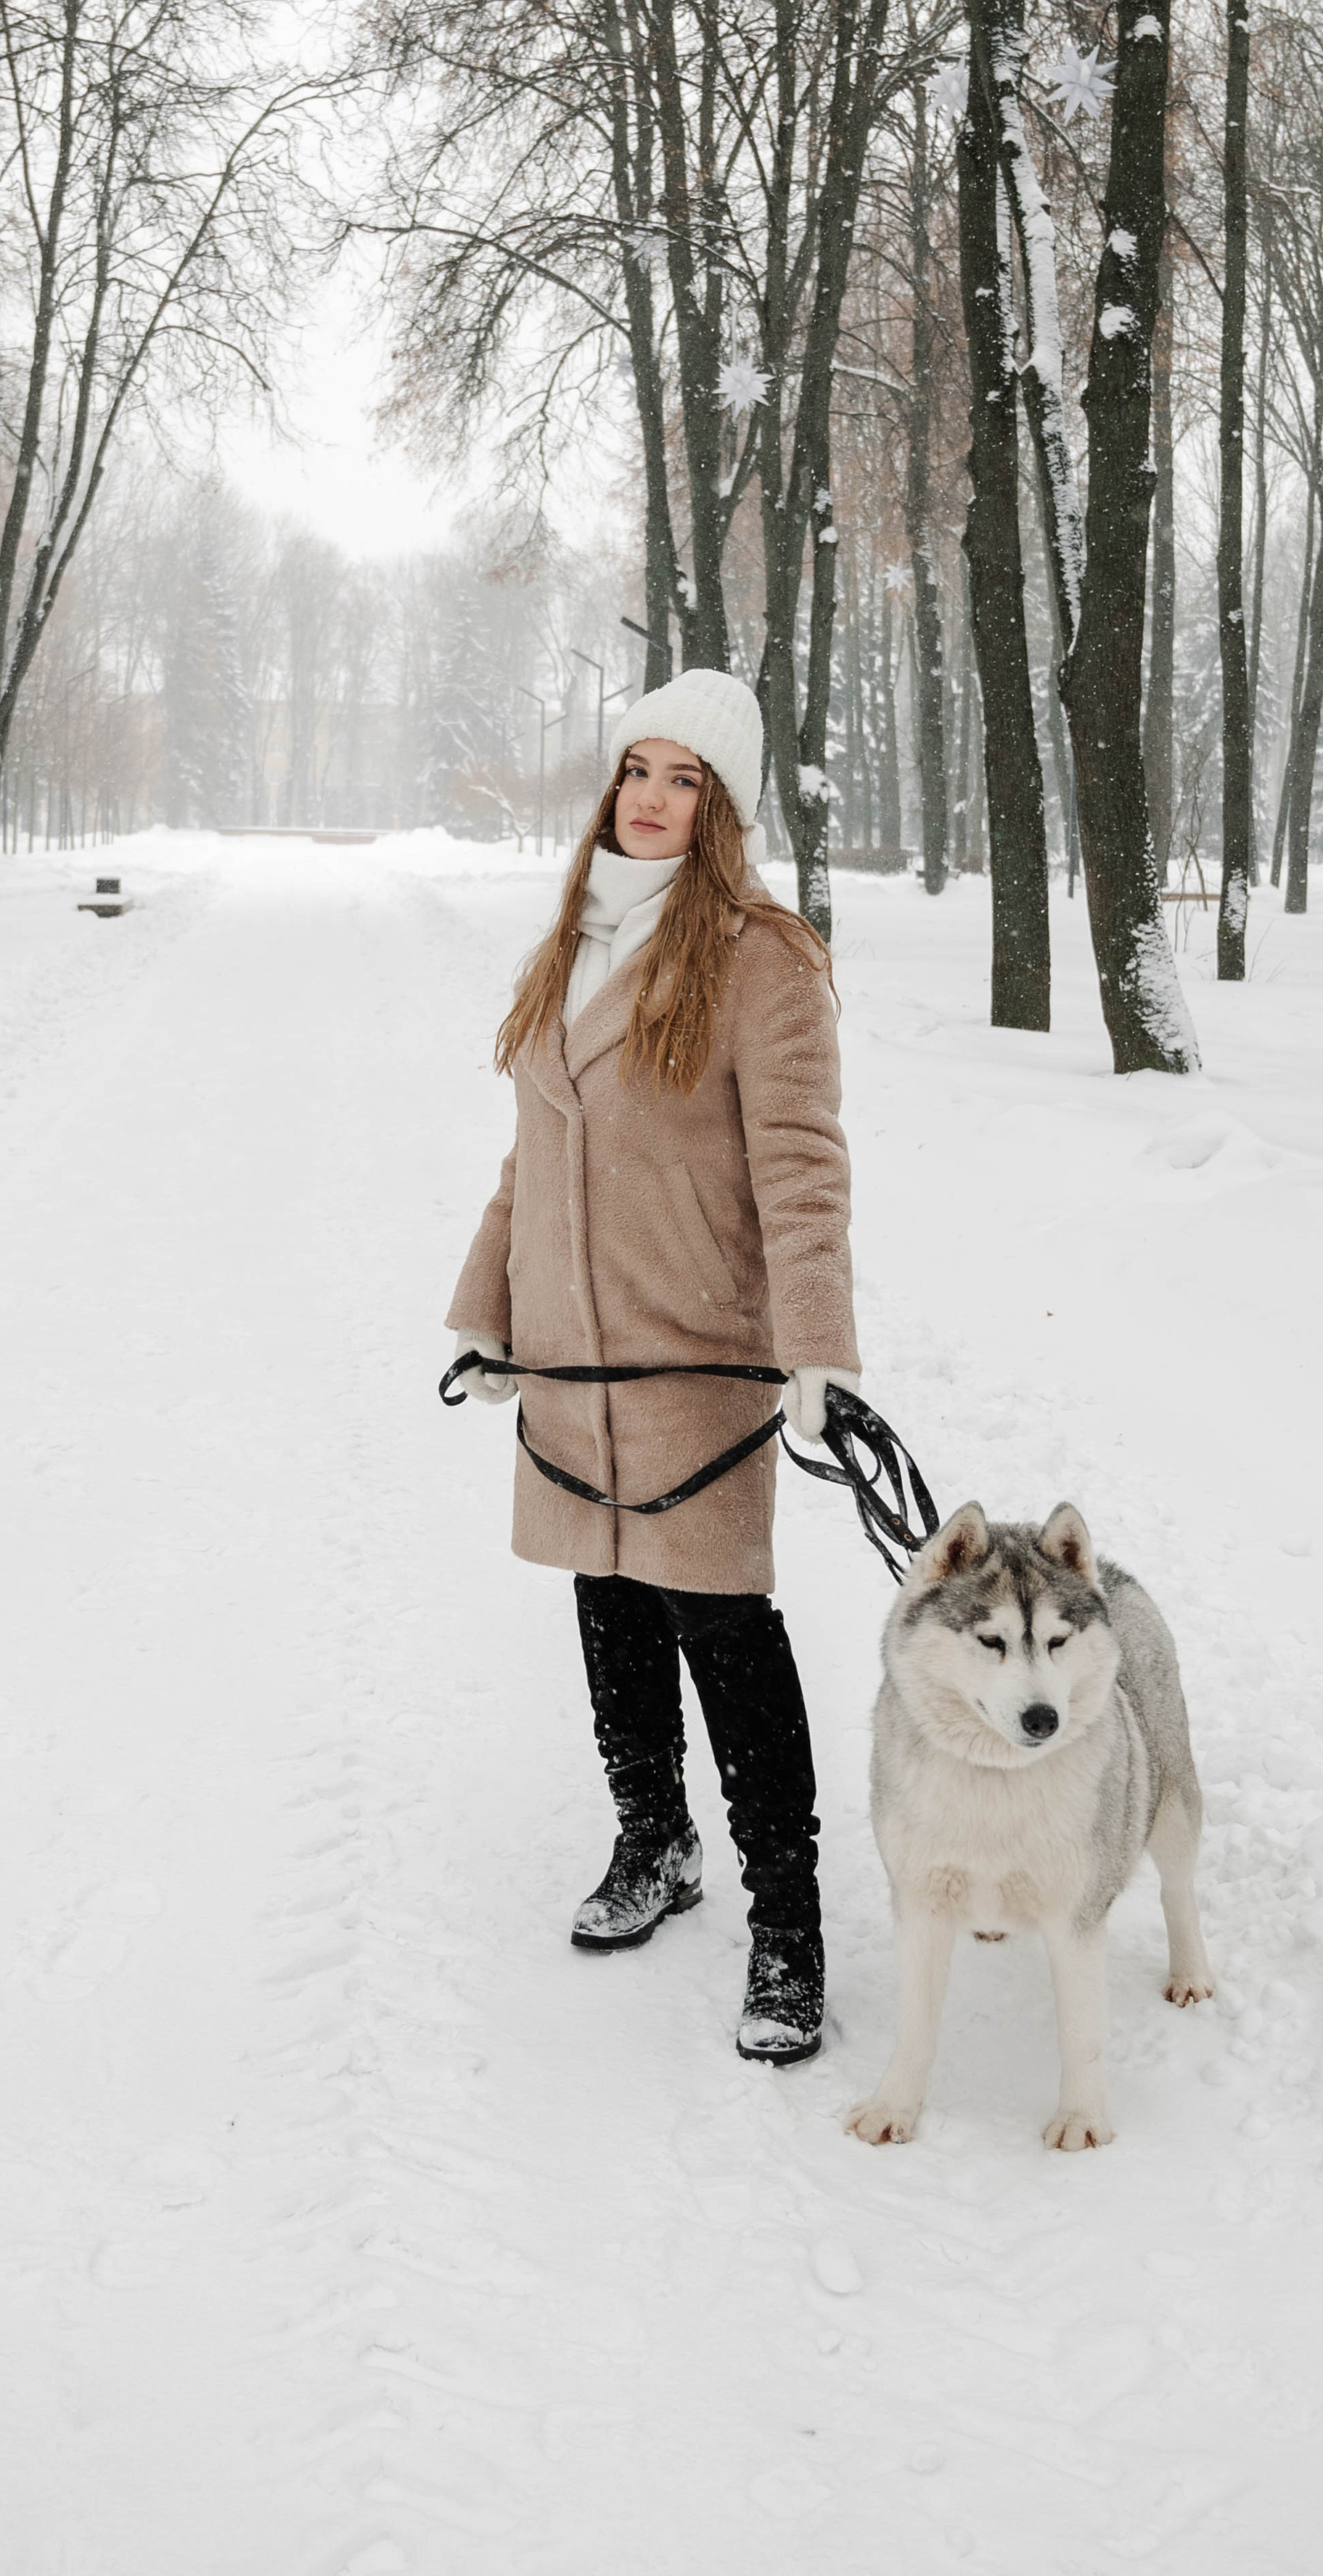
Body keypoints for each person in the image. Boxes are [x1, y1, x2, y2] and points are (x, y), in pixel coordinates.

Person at [447, 666, 859, 2065]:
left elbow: (803, 1170)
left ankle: (790, 1933)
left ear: (724, 806)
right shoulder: (570, 943)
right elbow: (533, 1153)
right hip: (572, 1359)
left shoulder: (760, 956)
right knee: (610, 1603)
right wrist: (484, 1305)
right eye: (639, 769)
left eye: (687, 779)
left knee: (724, 1634)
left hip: (694, 1357)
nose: (652, 798)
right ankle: (654, 1841)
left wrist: (816, 1352)